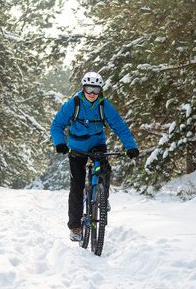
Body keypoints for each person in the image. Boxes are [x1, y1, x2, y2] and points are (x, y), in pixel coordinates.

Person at [50, 71, 139, 241]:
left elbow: (120, 127)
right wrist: (60, 143)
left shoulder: (104, 106)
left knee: (104, 170)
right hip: (75, 147)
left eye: (96, 90)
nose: (92, 93)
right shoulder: (73, 104)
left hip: (97, 144)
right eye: (89, 89)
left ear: (100, 91)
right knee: (76, 186)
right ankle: (75, 228)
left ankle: (102, 197)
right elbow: (57, 125)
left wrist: (131, 146)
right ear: (83, 88)